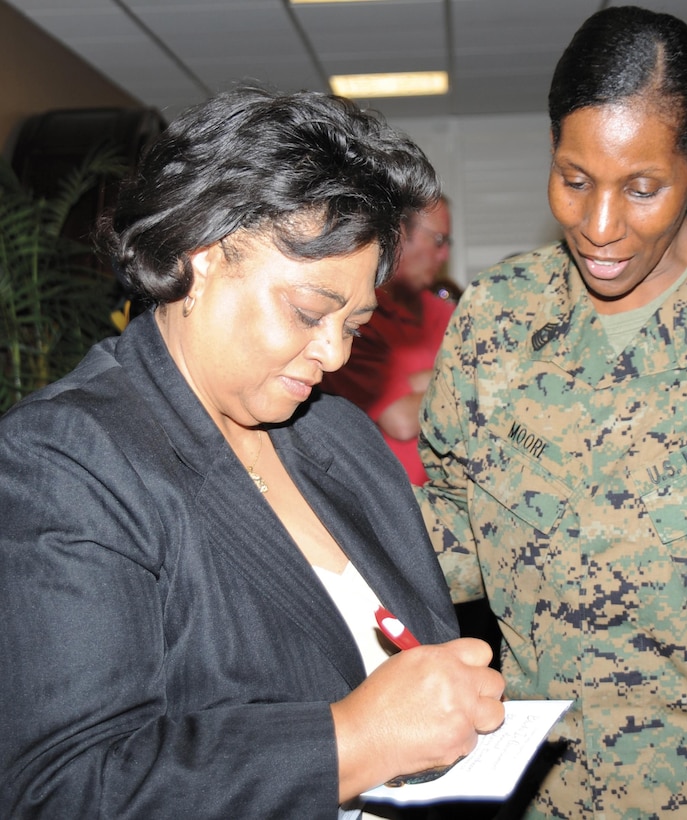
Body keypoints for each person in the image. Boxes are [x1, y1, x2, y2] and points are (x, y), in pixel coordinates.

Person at [0, 86, 505, 819]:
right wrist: (354, 740)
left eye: (354, 325)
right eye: (308, 311)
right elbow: (67, 788)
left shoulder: (338, 436)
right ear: (202, 258)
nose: (332, 355)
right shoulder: (66, 460)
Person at [416, 6, 687, 818]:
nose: (599, 227)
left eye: (641, 188)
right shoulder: (495, 320)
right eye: (573, 180)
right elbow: (449, 534)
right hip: (544, 796)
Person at [322, 197, 455, 484]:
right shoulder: (356, 318)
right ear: (399, 236)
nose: (443, 255)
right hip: (385, 506)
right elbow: (401, 420)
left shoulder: (445, 313)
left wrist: (416, 382)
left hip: (452, 505)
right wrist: (460, 376)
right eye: (439, 240)